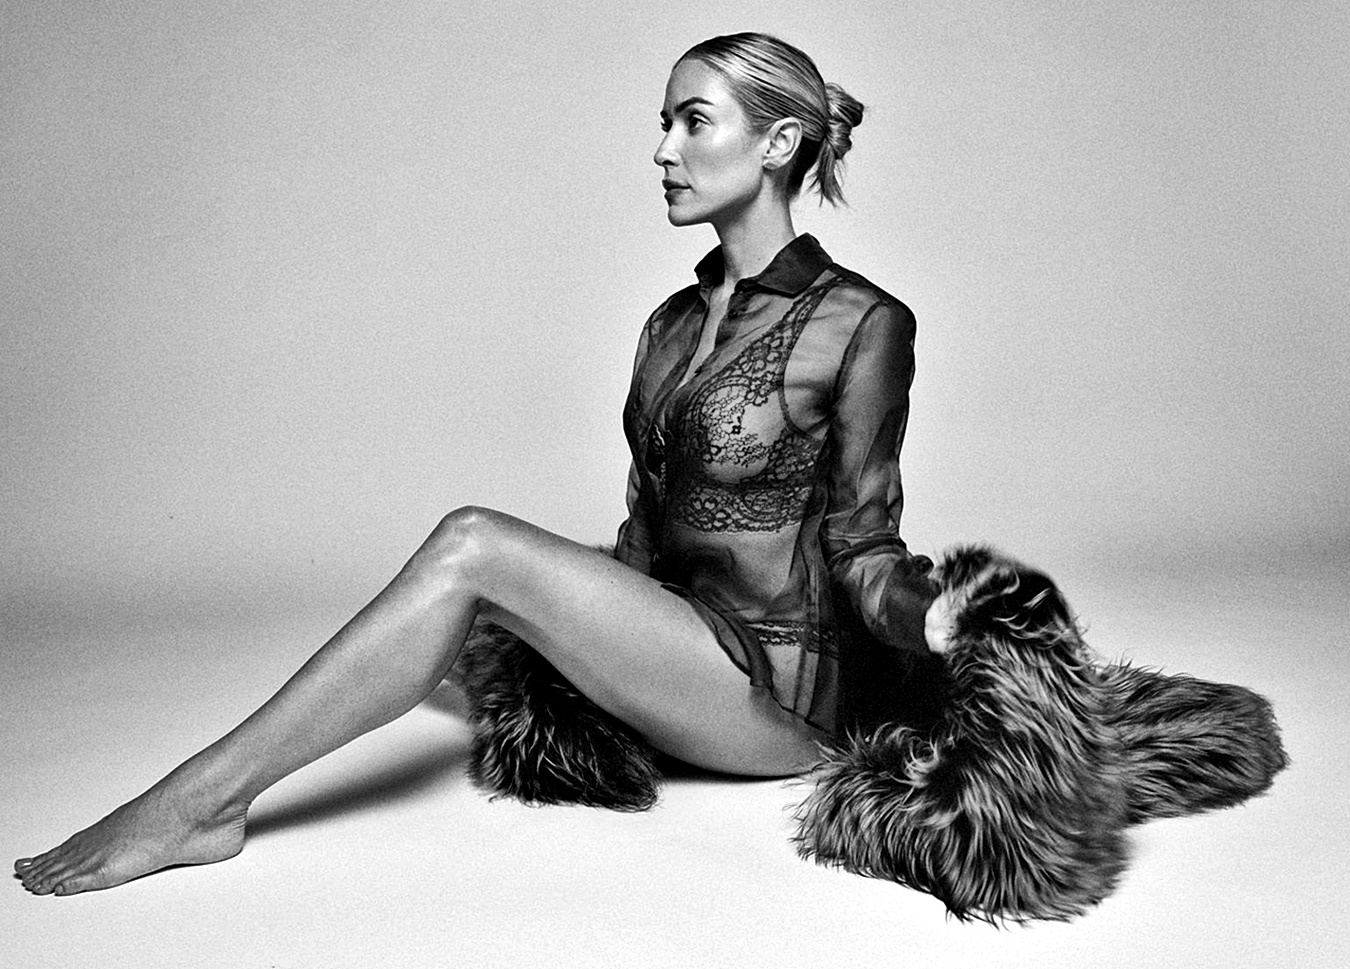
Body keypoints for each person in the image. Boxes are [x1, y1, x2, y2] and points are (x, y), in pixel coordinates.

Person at [14, 32, 942, 898]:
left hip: (771, 694)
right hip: (679, 646)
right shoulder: (670, 322)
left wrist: (935, 615)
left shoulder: (862, 322)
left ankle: (201, 801)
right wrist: (579, 633)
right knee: (450, 613)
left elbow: (863, 542)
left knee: (471, 544)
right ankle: (226, 782)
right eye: (664, 123)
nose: (664, 150)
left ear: (778, 143)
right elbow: (644, 533)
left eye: (694, 122)